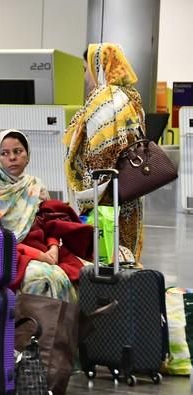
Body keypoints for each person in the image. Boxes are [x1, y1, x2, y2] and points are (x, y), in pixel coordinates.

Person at [0, 129, 93, 303]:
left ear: (27, 156)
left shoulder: (35, 185)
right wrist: (37, 255)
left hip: (44, 247)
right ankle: (44, 328)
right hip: (8, 252)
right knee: (44, 277)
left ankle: (79, 328)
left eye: (18, 151)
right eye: (5, 153)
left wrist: (53, 247)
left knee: (88, 272)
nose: (12, 157)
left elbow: (51, 222)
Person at [64, 43, 145, 263]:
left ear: (98, 67)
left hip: (106, 194)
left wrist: (87, 190)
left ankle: (104, 294)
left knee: (104, 253)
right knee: (125, 250)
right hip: (129, 188)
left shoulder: (105, 100)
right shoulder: (131, 97)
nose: (85, 77)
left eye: (85, 69)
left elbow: (101, 153)